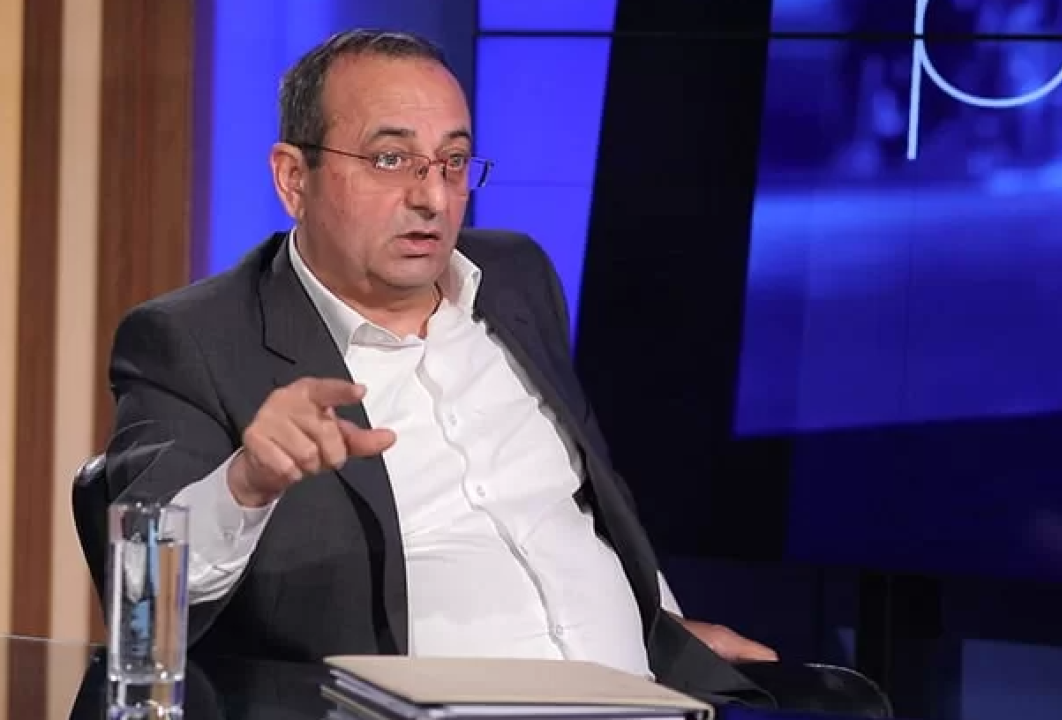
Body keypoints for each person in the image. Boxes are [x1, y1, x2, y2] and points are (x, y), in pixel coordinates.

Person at [104, 29, 775, 705]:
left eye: (453, 162)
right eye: (391, 159)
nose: (432, 197)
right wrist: (247, 482)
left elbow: (584, 498)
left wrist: (660, 622)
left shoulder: (517, 277)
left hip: (651, 699)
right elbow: (142, 593)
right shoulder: (195, 340)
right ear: (293, 178)